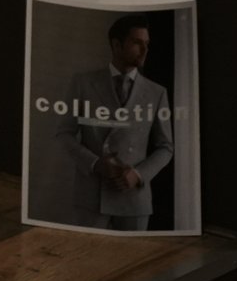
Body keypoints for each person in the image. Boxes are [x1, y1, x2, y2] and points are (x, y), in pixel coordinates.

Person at [55, 15, 173, 231]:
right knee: (87, 251)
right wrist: (94, 163)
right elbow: (64, 134)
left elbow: (166, 147)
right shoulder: (83, 83)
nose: (145, 50)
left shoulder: (157, 92)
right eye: (137, 43)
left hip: (134, 197)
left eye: (147, 44)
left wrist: (137, 175)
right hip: (92, 195)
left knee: (133, 254)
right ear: (117, 45)